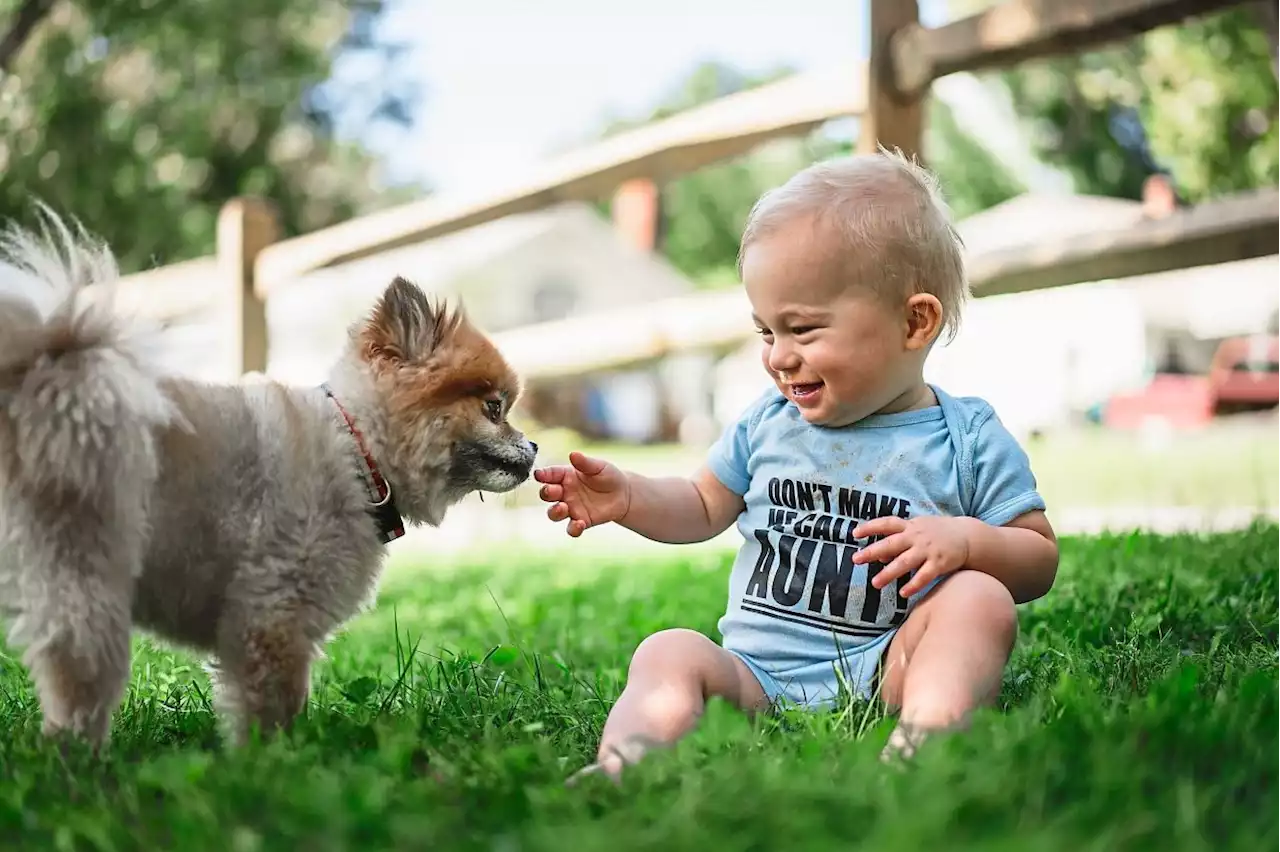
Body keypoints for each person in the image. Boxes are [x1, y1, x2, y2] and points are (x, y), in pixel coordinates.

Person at [534, 148, 1060, 783]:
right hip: (753, 677)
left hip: (887, 668)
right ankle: (625, 766)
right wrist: (632, 499)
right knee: (668, 649)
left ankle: (926, 740)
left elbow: (1037, 559)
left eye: (804, 330)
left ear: (913, 321)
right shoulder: (767, 422)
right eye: (765, 333)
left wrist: (967, 542)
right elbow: (702, 505)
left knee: (981, 598)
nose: (779, 357)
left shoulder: (967, 436)